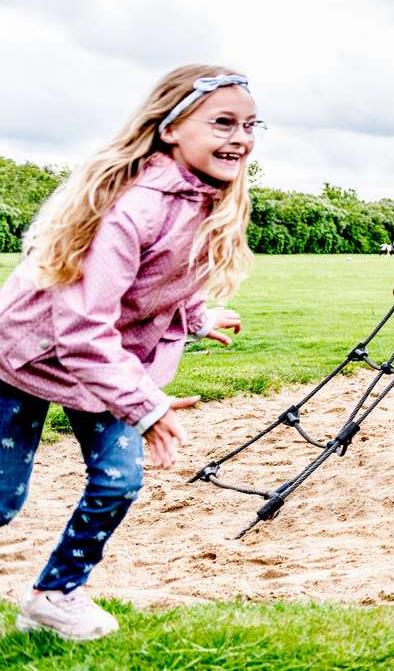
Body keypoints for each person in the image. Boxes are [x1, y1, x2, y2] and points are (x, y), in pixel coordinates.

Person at [0, 65, 255, 641]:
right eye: (222, 122)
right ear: (170, 128)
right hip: (26, 357)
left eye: (249, 124)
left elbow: (168, 280)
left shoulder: (207, 200)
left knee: (117, 481)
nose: (240, 137)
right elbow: (81, 327)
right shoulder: (134, 206)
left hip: (102, 368)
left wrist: (198, 318)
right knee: (1, 500)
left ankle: (55, 594)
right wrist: (149, 407)